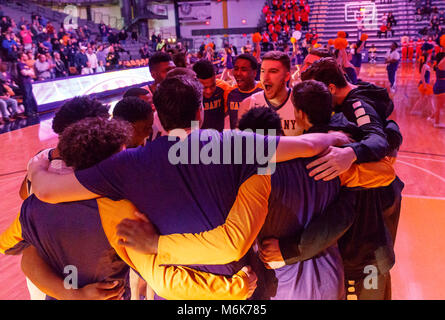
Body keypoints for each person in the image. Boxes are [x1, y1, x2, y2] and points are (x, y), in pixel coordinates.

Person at [26, 75, 350, 300]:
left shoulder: (126, 165)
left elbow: (47, 191)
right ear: (198, 112)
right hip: (236, 286)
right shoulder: (236, 144)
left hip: (177, 290)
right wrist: (339, 141)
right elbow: (308, 144)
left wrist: (39, 161)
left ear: (157, 116)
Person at [2, 116, 258, 300]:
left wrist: (68, 293)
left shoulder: (34, 205)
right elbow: (163, 281)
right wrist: (231, 289)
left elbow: (14, 248)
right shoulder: (115, 210)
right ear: (110, 164)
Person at [237, 51, 300, 136]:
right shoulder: (247, 105)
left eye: (273, 71)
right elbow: (241, 145)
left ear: (287, 76)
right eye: (262, 71)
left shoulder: (301, 104)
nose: (265, 78)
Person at [225, 53, 263, 129]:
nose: (238, 73)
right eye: (236, 69)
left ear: (254, 73)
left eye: (244, 69)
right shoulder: (230, 94)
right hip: (237, 140)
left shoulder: (263, 93)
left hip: (258, 140)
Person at [192, 59, 232, 131]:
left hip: (219, 136)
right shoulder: (190, 94)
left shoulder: (224, 88)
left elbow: (229, 116)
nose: (209, 91)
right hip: (198, 137)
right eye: (204, 87)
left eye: (213, 85)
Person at [17, 52, 38, 117]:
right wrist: (29, 72)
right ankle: (27, 112)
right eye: (25, 56)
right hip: (24, 83)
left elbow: (32, 73)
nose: (27, 57)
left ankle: (32, 110)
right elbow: (24, 73)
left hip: (28, 82)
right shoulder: (19, 64)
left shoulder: (26, 64)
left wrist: (29, 72)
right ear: (22, 57)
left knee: (30, 97)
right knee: (27, 97)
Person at [433, 51, 445, 128]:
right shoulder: (441, 65)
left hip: (439, 85)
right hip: (442, 87)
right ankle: (436, 122)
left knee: (439, 106)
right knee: (439, 106)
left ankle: (434, 120)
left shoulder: (439, 65)